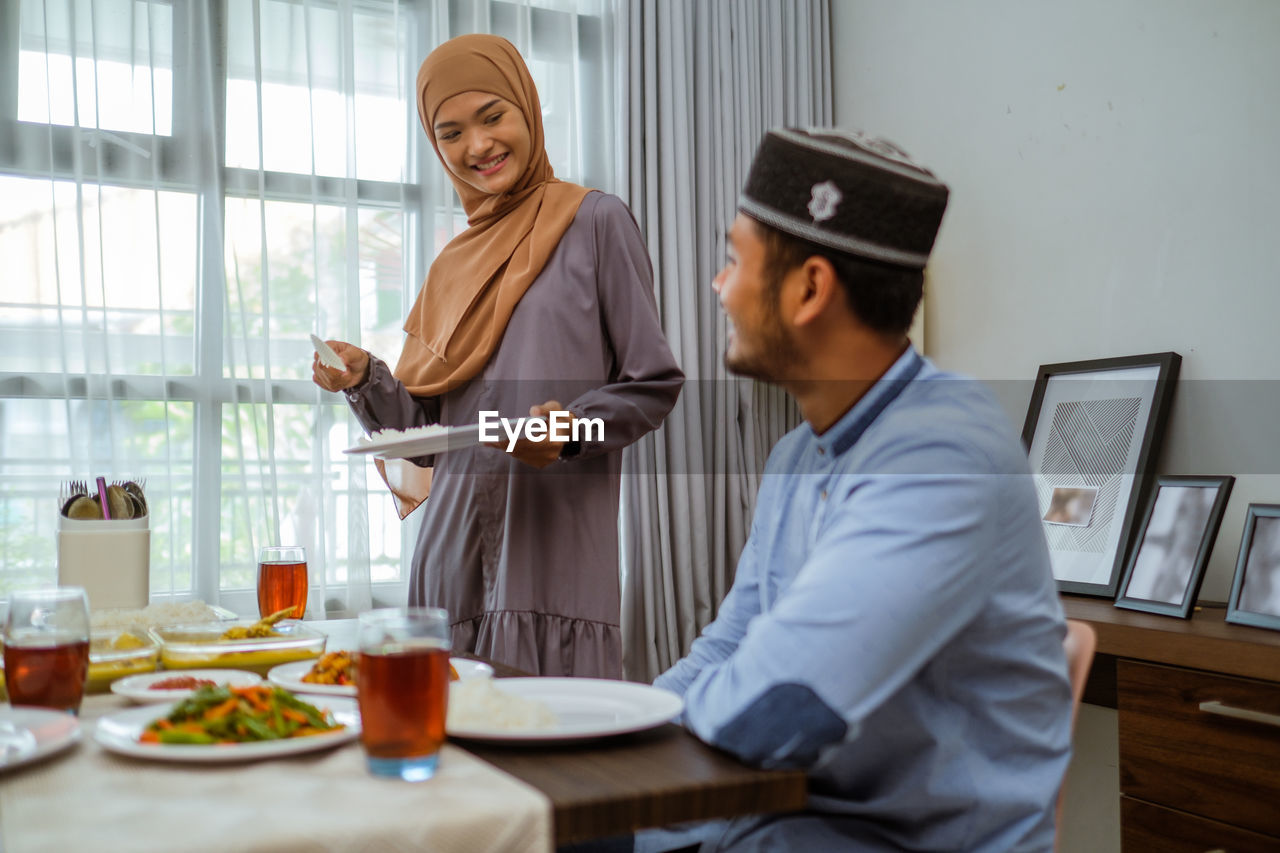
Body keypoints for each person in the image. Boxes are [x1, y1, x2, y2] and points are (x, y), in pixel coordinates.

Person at [643, 129, 1072, 851]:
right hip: (769, 826)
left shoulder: (943, 453)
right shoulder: (796, 454)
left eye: (733, 260)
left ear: (809, 288)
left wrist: (625, 738)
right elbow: (731, 646)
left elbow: (778, 707)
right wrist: (600, 722)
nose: (719, 286)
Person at [313, 34, 683, 678]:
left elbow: (651, 386)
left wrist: (571, 431)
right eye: (451, 132)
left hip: (550, 554)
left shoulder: (595, 223)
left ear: (528, 111)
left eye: (493, 116)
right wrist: (366, 378)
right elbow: (424, 441)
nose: (477, 146)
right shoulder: (454, 262)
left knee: (555, 759)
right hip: (448, 563)